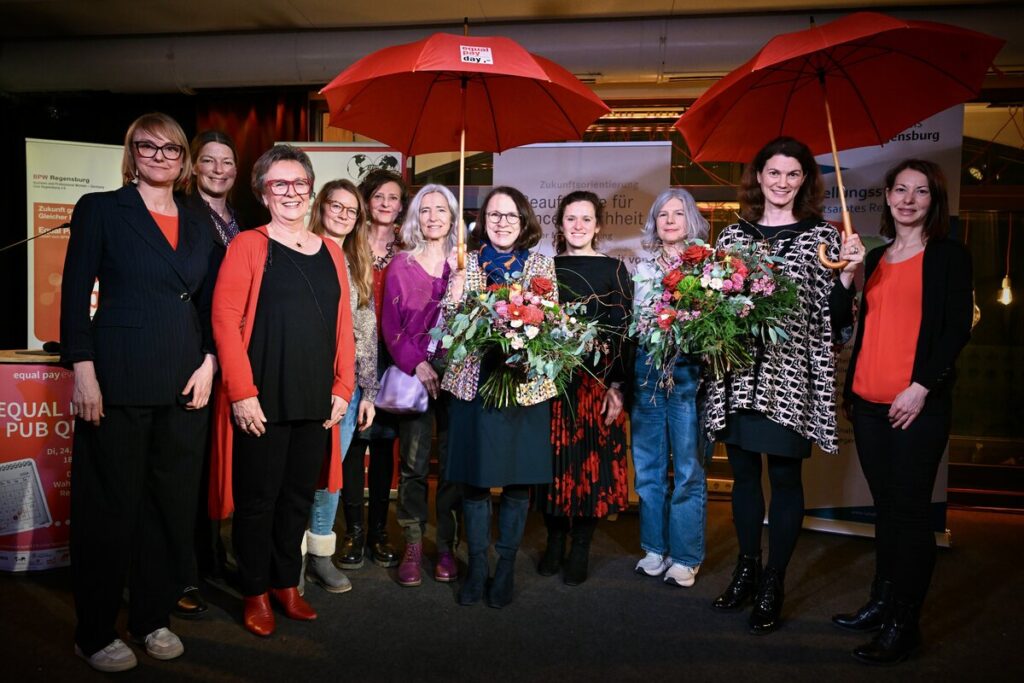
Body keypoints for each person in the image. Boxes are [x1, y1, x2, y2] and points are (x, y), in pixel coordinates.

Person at [60, 112, 219, 672]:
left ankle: (152, 617)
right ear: (132, 154)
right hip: (118, 379)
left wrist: (211, 361)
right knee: (109, 511)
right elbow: (74, 295)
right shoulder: (102, 209)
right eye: (147, 147)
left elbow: (210, 305)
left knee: (169, 509)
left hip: (185, 385)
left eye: (171, 148)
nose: (159, 156)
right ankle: (94, 631)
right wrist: (83, 371)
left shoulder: (198, 222)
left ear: (183, 160)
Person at [706, 136, 861, 634]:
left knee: (786, 479)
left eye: (793, 174)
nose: (782, 182)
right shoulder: (732, 237)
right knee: (744, 477)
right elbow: (712, 307)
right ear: (758, 177)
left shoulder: (824, 238)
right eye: (774, 172)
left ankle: (775, 581)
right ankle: (746, 570)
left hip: (791, 378)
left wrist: (847, 277)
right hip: (738, 375)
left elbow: (837, 322)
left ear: (805, 180)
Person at [210, 144, 355, 637]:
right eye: (279, 184)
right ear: (263, 192)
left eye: (299, 183)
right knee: (258, 501)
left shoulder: (332, 251)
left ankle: (284, 584)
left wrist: (344, 386)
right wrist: (241, 392)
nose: (291, 192)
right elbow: (225, 321)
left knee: (297, 497)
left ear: (311, 190)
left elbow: (343, 327)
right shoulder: (247, 245)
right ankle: (254, 590)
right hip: (263, 397)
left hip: (316, 398)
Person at [833, 159, 972, 665]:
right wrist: (846, 277)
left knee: (911, 515)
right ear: (888, 196)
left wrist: (921, 388)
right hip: (867, 403)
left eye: (921, 191)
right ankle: (882, 601)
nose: (908, 199)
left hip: (916, 406)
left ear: (934, 200)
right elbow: (840, 323)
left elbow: (956, 328)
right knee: (887, 510)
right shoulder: (874, 257)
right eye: (900, 189)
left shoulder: (949, 256)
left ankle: (904, 625)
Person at [442, 186, 557, 608]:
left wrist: (527, 331)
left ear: (524, 221)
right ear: (482, 221)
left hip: (524, 387)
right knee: (474, 481)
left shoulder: (542, 265)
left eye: (510, 215)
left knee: (517, 481)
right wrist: (453, 299)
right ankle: (477, 567)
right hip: (475, 385)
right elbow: (449, 333)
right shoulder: (465, 265)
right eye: (494, 215)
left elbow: (552, 325)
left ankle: (505, 568)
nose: (502, 222)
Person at [534, 190, 633, 586]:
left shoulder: (614, 269)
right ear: (560, 224)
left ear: (598, 226)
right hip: (553, 384)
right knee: (553, 466)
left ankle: (581, 546)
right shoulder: (544, 268)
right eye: (571, 218)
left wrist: (617, 386)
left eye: (586, 219)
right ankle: (555, 539)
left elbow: (624, 333)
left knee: (592, 468)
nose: (578, 226)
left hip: (597, 386)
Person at [381, 184, 462, 586]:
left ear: (452, 216)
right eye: (425, 210)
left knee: (451, 464)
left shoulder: (465, 265)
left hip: (457, 376)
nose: (433, 217)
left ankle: (446, 545)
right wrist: (418, 364)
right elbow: (390, 325)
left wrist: (462, 291)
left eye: (441, 209)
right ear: (416, 217)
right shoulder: (401, 264)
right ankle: (412, 543)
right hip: (416, 375)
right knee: (413, 466)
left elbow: (481, 324)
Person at [175, 129, 241, 619]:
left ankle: (211, 554)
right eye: (210, 161)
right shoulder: (183, 214)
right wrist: (207, 354)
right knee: (188, 470)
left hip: (229, 355)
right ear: (194, 166)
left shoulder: (238, 219)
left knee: (217, 466)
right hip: (196, 355)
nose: (219, 170)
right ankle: (184, 572)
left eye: (227, 162)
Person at [629, 188, 710, 590]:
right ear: (655, 223)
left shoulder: (709, 268)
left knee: (688, 468)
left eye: (678, 213)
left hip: (688, 368)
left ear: (690, 219)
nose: (670, 220)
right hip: (647, 368)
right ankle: (654, 549)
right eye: (663, 214)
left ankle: (685, 557)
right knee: (648, 466)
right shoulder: (641, 268)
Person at [303, 179, 379, 594]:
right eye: (337, 206)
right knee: (296, 472)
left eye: (352, 211)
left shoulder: (357, 261)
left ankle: (320, 555)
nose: (344, 215)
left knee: (330, 475)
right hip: (301, 381)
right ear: (321, 206)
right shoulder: (299, 249)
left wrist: (368, 391)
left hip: (345, 387)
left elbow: (366, 330)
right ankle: (289, 557)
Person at [336, 169, 408, 571]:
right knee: (352, 443)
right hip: (353, 353)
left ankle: (379, 531)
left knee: (384, 445)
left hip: (394, 358)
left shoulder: (408, 247)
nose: (385, 203)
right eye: (378, 196)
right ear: (366, 201)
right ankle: (353, 530)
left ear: (401, 206)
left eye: (393, 197)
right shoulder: (349, 243)